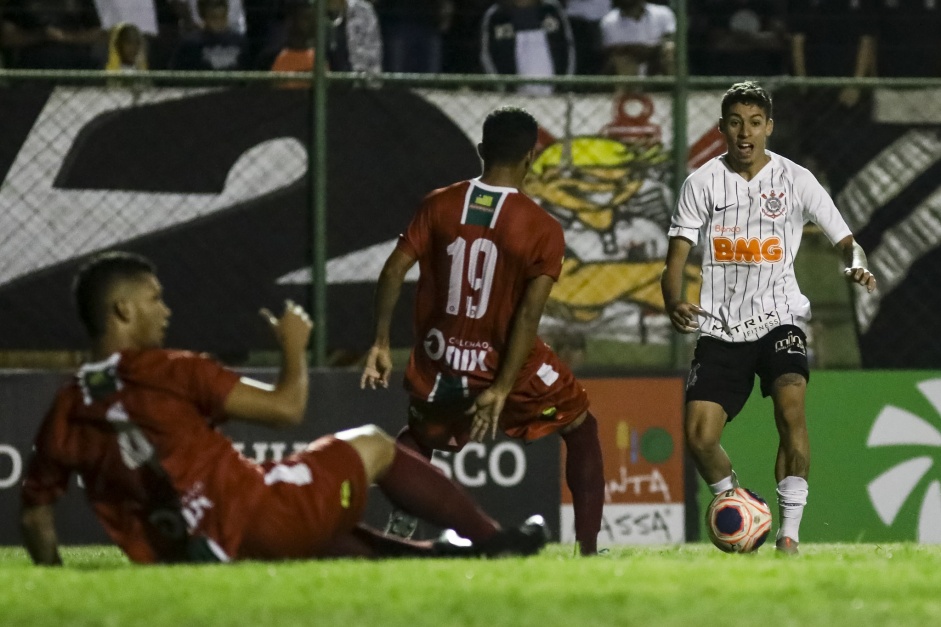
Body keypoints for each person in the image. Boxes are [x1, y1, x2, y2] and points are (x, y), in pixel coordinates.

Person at [20, 251, 548, 565]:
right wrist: (292, 348)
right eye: (155, 298)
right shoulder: (169, 370)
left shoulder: (66, 407)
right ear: (123, 310)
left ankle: (447, 559)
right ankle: (491, 539)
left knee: (331, 534)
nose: (166, 309)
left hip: (199, 553)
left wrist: (52, 574)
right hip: (253, 515)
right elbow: (287, 409)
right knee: (372, 444)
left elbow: (37, 517)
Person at [361, 106, 605, 556]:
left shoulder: (439, 203)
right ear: (530, 158)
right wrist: (502, 387)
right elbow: (528, 317)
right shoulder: (543, 227)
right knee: (580, 425)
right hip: (508, 364)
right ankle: (589, 551)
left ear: (480, 150)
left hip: (443, 362)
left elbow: (394, 271)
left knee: (419, 438)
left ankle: (400, 523)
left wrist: (379, 341)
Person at [660, 82, 877, 555]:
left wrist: (857, 260)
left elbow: (846, 237)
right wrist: (672, 299)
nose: (745, 133)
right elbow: (675, 256)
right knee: (699, 435)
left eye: (755, 123)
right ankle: (735, 505)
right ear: (721, 128)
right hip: (720, 327)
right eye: (735, 122)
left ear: (769, 128)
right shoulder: (701, 183)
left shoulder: (796, 180)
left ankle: (789, 536)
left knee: (791, 410)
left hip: (781, 318)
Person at [479, 0, 575, 96]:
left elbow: (567, 48)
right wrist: (503, 88)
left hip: (554, 95)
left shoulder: (551, 9)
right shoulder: (497, 15)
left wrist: (564, 84)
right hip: (514, 96)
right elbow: (488, 54)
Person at [599, 0, 675, 77]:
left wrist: (650, 52)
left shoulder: (664, 13)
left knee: (670, 49)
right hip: (627, 68)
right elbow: (615, 53)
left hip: (656, 63)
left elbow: (669, 39)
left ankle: (676, 87)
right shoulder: (609, 21)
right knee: (622, 60)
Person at [170, 0, 247, 71]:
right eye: (214, 17)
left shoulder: (239, 42)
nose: (218, 22)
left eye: (222, 17)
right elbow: (177, 75)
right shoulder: (190, 45)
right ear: (204, 17)